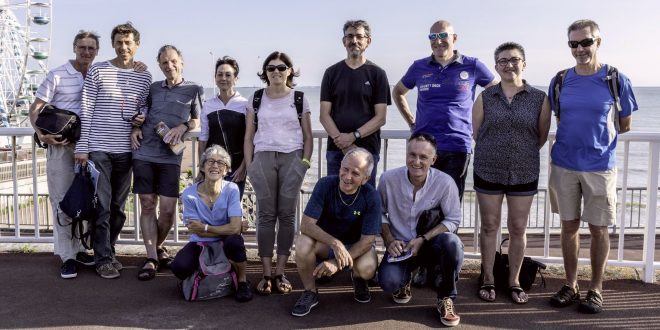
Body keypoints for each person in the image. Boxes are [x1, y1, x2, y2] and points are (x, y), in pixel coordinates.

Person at [547, 19, 637, 314]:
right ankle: (570, 285)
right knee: (569, 226)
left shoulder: (615, 79)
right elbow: (559, 117)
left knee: (599, 229)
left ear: (598, 42)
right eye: (574, 43)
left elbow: (625, 124)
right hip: (564, 164)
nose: (580, 49)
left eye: (586, 42)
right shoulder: (560, 79)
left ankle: (595, 289)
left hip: (600, 166)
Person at [471, 42, 551, 304]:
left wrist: (518, 152)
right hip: (487, 169)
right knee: (490, 226)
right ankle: (488, 277)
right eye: (502, 61)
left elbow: (539, 136)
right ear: (496, 66)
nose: (509, 65)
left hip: (524, 171)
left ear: (524, 63)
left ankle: (514, 280)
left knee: (518, 227)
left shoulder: (540, 98)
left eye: (514, 59)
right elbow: (477, 133)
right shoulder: (485, 97)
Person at [74, 22, 152, 279]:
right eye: (119, 42)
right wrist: (82, 147)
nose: (123, 47)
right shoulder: (98, 70)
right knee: (103, 206)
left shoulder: (145, 75)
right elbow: (86, 109)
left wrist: (141, 117)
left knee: (118, 207)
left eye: (128, 42)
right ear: (113, 44)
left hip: (128, 150)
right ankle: (103, 258)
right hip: (99, 149)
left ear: (137, 45)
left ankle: (108, 248)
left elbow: (144, 107)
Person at [392, 20, 496, 200]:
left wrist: (482, 125)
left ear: (454, 38)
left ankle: (447, 231)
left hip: (457, 146)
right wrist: (411, 122)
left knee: (450, 203)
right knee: (419, 201)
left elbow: (498, 93)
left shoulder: (472, 65)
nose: (437, 41)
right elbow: (398, 91)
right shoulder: (419, 66)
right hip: (423, 147)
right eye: (433, 36)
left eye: (442, 36)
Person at [28, 31, 100, 279]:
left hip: (89, 146)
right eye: (82, 47)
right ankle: (67, 256)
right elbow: (35, 108)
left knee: (86, 199)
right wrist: (42, 135)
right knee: (62, 201)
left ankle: (80, 248)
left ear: (97, 51)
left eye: (91, 48)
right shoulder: (57, 74)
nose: (86, 52)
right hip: (61, 146)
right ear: (74, 48)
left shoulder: (98, 73)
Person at [130, 45, 202, 281]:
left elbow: (197, 121)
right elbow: (142, 112)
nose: (169, 66)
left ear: (181, 61)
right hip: (144, 152)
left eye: (173, 61)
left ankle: (156, 247)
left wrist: (183, 127)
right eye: (164, 63)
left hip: (171, 156)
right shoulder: (152, 88)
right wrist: (136, 126)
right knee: (148, 204)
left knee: (168, 210)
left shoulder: (194, 89)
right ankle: (152, 257)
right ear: (159, 65)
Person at [244, 51, 313, 296]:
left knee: (286, 215)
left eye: (281, 67)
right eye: (271, 68)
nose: (276, 71)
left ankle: (281, 271)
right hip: (262, 158)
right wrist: (250, 164)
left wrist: (303, 163)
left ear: (290, 71)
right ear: (265, 72)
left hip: (292, 158)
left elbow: (307, 136)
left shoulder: (300, 98)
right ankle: (265, 273)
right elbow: (249, 136)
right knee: (265, 215)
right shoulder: (255, 98)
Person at [377, 133, 464, 327]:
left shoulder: (445, 182)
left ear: (434, 160)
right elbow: (379, 214)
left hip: (429, 244)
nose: (416, 161)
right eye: (412, 155)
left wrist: (423, 238)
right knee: (388, 282)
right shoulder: (388, 179)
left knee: (452, 243)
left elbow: (453, 219)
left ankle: (445, 298)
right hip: (400, 248)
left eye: (423, 157)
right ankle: (404, 280)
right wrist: (390, 240)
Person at [291, 148, 381, 317]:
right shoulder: (325, 184)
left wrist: (335, 263)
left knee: (367, 269)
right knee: (302, 242)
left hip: (356, 246)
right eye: (345, 169)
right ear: (340, 167)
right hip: (327, 244)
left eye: (355, 173)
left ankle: (358, 278)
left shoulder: (371, 196)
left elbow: (368, 240)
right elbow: (306, 225)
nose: (347, 177)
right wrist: (335, 243)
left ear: (365, 179)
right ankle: (310, 292)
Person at [170, 145, 252, 302]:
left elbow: (232, 229)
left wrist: (206, 227)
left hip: (225, 241)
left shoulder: (232, 189)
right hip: (200, 242)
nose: (215, 166)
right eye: (210, 161)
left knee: (235, 242)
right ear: (202, 167)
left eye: (221, 163)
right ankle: (206, 272)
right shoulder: (189, 194)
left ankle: (242, 282)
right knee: (179, 268)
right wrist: (230, 228)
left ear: (227, 169)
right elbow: (197, 231)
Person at [319, 19, 391, 187]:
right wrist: (341, 141)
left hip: (367, 151)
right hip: (336, 151)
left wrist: (352, 137)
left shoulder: (378, 74)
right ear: (344, 41)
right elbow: (324, 115)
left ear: (368, 41)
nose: (354, 41)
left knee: (364, 201)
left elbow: (381, 118)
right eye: (349, 36)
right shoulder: (331, 73)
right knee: (336, 201)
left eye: (359, 36)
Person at [198, 56, 247, 198]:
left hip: (237, 167)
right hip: (213, 165)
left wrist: (244, 168)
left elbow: (249, 139)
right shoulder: (208, 105)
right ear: (215, 77)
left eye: (228, 74)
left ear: (235, 78)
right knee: (213, 204)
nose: (223, 78)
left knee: (233, 207)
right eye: (220, 74)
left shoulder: (245, 104)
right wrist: (202, 169)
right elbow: (203, 139)